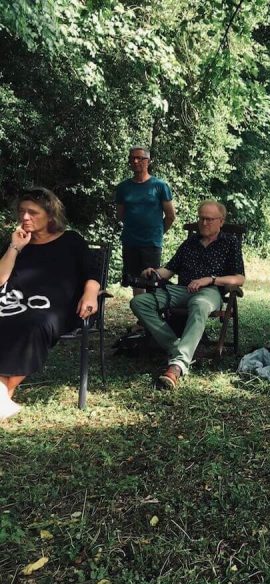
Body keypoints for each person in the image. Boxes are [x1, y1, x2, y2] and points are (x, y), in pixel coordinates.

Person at [0, 188, 101, 420]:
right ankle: (3, 395)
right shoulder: (17, 242)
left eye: (32, 212)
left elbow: (92, 272)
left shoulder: (71, 240)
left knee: (34, 324)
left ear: (51, 215)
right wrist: (15, 247)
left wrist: (90, 294)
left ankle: (2, 391)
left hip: (57, 307)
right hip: (13, 302)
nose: (25, 217)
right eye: (22, 211)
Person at [130, 201, 245, 390]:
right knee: (139, 302)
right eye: (201, 218)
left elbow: (239, 278)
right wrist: (154, 272)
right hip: (182, 289)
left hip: (209, 291)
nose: (204, 223)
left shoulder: (230, 243)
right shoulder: (190, 243)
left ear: (221, 221)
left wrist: (210, 279)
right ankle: (178, 348)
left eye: (209, 219)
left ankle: (177, 366)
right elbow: (169, 270)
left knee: (200, 304)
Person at [115, 146, 176, 296]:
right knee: (135, 281)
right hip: (130, 241)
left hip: (151, 243)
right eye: (132, 158)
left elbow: (170, 216)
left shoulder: (160, 186)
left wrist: (157, 232)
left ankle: (151, 310)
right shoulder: (123, 187)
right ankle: (140, 311)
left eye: (140, 158)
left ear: (148, 161)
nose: (135, 161)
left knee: (151, 281)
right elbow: (120, 215)